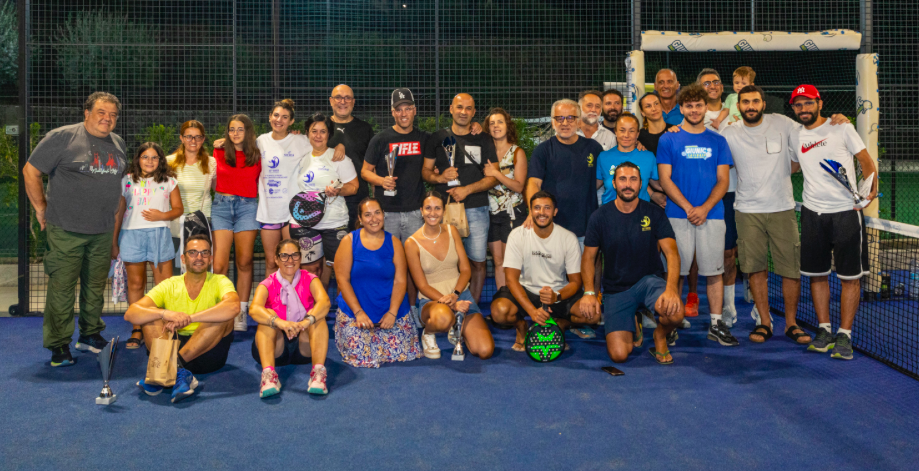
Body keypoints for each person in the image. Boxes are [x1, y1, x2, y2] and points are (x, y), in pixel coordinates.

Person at [723, 84, 848, 344]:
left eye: (755, 101)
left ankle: (791, 324)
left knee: (790, 269)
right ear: (739, 105)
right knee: (755, 269)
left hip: (783, 208)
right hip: (747, 211)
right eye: (745, 102)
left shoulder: (783, 124)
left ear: (763, 103)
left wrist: (837, 119)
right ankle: (765, 322)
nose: (750, 106)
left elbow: (814, 130)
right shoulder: (729, 132)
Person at [23, 91, 127, 366]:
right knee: (62, 289)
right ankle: (59, 346)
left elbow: (117, 187)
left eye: (113, 115)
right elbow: (30, 170)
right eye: (101, 113)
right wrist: (41, 208)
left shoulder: (118, 143)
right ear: (87, 113)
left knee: (94, 288)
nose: (107, 119)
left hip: (102, 231)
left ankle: (90, 335)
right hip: (66, 230)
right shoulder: (63, 137)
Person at [790, 84, 877, 360]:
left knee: (850, 277)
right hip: (812, 213)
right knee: (818, 274)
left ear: (819, 103)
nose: (803, 109)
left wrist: (869, 190)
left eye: (808, 103)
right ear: (793, 108)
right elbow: (793, 166)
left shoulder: (842, 128)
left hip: (845, 213)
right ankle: (824, 329)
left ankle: (845, 334)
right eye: (798, 105)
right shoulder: (795, 134)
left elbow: (865, 161)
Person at [211, 100, 345, 278]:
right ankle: (272, 304)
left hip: (293, 213)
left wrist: (340, 145)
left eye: (285, 117)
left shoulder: (300, 141)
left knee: (297, 262)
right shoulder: (259, 141)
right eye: (276, 115)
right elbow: (239, 145)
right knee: (271, 262)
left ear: (291, 121)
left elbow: (322, 141)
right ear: (269, 117)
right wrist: (223, 140)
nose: (279, 120)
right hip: (269, 213)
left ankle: (298, 302)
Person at [657, 84, 738, 346]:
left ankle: (716, 324)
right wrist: (688, 207)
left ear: (706, 108)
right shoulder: (668, 138)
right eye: (689, 106)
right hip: (677, 214)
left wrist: (703, 208)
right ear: (681, 108)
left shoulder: (718, 140)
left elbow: (723, 180)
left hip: (711, 215)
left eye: (698, 105)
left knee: (714, 271)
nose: (694, 110)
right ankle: (672, 321)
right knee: (676, 272)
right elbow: (665, 179)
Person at [580, 163, 683, 363]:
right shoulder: (599, 217)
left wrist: (671, 289)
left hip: (649, 281)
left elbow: (672, 254)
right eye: (623, 179)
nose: (628, 184)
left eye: (633, 179)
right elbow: (588, 258)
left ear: (641, 183)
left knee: (676, 313)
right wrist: (589, 292)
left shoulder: (654, 213)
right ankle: (633, 321)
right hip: (616, 289)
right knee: (619, 355)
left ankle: (659, 336)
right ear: (613, 183)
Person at [125, 234, 240, 403]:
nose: (199, 257)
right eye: (193, 252)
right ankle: (178, 372)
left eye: (204, 253)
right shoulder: (169, 284)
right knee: (149, 315)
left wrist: (190, 318)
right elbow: (131, 313)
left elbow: (234, 306)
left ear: (210, 259)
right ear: (183, 258)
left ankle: (165, 371)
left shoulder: (220, 280)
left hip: (207, 353)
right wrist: (164, 313)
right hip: (170, 346)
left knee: (224, 317)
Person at [490, 191, 597, 351]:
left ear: (555, 212)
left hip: (558, 293)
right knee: (499, 312)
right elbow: (511, 280)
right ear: (530, 211)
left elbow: (576, 282)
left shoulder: (568, 238)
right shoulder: (517, 235)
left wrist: (557, 296)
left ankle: (560, 324)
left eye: (547, 208)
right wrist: (532, 312)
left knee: (593, 314)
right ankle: (521, 326)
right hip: (526, 291)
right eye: (537, 208)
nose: (541, 212)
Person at [423, 93, 499, 303]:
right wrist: (439, 176)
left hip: (476, 208)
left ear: (474, 112)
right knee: (447, 262)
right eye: (459, 107)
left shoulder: (483, 139)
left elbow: (493, 177)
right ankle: (446, 303)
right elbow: (426, 172)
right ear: (451, 109)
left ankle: (469, 309)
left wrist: (467, 190)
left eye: (468, 108)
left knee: (477, 262)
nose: (463, 112)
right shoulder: (437, 138)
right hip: (442, 211)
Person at [405, 192, 495, 359]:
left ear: (444, 211)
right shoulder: (411, 243)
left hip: (461, 296)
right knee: (443, 318)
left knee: (485, 350)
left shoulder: (452, 230)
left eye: (437, 208)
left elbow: (466, 270)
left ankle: (458, 329)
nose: (433, 213)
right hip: (432, 302)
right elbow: (422, 286)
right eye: (428, 208)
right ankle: (428, 332)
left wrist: (455, 296)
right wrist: (451, 304)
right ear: (421, 211)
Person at [333, 198, 421, 368]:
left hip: (390, 309)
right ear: (360, 218)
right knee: (360, 356)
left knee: (403, 353)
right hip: (356, 311)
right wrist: (358, 312)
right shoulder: (349, 241)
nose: (373, 219)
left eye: (377, 213)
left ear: (383, 214)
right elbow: (342, 280)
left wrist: (392, 313)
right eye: (367, 215)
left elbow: (401, 280)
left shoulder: (394, 242)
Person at [362, 88, 429, 307]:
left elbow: (449, 139)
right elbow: (365, 171)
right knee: (385, 265)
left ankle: (411, 311)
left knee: (413, 266)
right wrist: (381, 181)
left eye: (407, 109)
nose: (403, 113)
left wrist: (476, 128)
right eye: (399, 109)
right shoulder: (380, 139)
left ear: (414, 111)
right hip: (387, 213)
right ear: (393, 112)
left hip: (414, 213)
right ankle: (386, 308)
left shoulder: (423, 138)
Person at [113, 143, 183, 350]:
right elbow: (119, 213)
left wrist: (162, 215)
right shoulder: (126, 181)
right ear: (138, 159)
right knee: (136, 284)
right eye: (145, 157)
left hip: (159, 236)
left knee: (164, 285)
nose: (150, 161)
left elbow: (178, 209)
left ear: (161, 161)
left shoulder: (170, 182)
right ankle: (138, 327)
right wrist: (113, 241)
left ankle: (165, 324)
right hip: (131, 235)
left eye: (154, 157)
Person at [249, 239, 331, 398]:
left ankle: (318, 374)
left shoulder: (310, 278)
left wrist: (306, 321)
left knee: (318, 316)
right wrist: (280, 322)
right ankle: (269, 376)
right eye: (284, 256)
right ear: (276, 259)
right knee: (268, 316)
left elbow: (325, 302)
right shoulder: (267, 283)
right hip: (276, 347)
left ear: (300, 258)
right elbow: (254, 309)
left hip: (302, 344)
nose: (290, 260)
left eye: (294, 255)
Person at [289, 113, 359, 288]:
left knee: (340, 268)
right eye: (314, 131)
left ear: (329, 135)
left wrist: (338, 191)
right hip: (306, 222)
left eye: (323, 131)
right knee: (311, 269)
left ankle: (343, 310)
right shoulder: (302, 158)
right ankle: (315, 309)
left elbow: (354, 186)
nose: (318, 135)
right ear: (307, 133)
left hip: (334, 222)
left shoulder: (338, 158)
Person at [525, 99, 603, 247]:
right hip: (552, 225)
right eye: (559, 118)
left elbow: (602, 178)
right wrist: (532, 212)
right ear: (553, 122)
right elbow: (534, 183)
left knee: (587, 267)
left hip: (585, 224)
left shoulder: (594, 148)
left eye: (570, 118)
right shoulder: (543, 150)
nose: (564, 123)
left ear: (579, 121)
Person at [698, 68, 740, 326]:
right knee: (696, 257)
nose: (712, 86)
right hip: (702, 195)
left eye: (716, 81)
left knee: (729, 253)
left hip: (733, 192)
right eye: (706, 83)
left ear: (722, 86)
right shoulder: (694, 115)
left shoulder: (737, 110)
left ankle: (730, 307)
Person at [211, 114, 261, 331]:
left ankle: (241, 312)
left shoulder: (258, 153)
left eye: (240, 129)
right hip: (221, 207)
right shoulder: (219, 151)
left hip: (247, 208)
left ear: (248, 131)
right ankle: (221, 311)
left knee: (244, 262)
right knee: (219, 265)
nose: (235, 133)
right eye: (232, 129)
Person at [482, 108, 528, 291]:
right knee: (498, 260)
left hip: (513, 213)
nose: (496, 126)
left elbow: (519, 186)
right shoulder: (485, 153)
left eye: (500, 122)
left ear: (507, 126)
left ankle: (516, 299)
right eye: (492, 123)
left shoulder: (517, 152)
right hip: (491, 214)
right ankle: (503, 296)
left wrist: (495, 174)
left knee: (512, 261)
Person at [167, 120, 217, 270]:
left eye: (198, 137)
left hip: (202, 223)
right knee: (176, 271)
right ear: (181, 138)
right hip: (175, 225)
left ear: (203, 139)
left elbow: (220, 188)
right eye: (189, 136)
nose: (193, 141)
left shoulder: (211, 163)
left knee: (201, 270)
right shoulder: (169, 162)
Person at [327, 84, 376, 231]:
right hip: (329, 199)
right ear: (331, 101)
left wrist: (375, 198)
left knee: (358, 243)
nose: (343, 102)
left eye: (347, 98)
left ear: (353, 102)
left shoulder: (365, 129)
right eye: (338, 98)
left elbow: (372, 166)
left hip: (358, 198)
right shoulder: (321, 128)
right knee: (331, 247)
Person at [597, 113, 663, 206]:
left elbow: (661, 184)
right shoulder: (603, 157)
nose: (626, 135)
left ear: (637, 133)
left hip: (641, 213)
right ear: (615, 131)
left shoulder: (648, 157)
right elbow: (593, 185)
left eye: (631, 131)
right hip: (610, 214)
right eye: (622, 130)